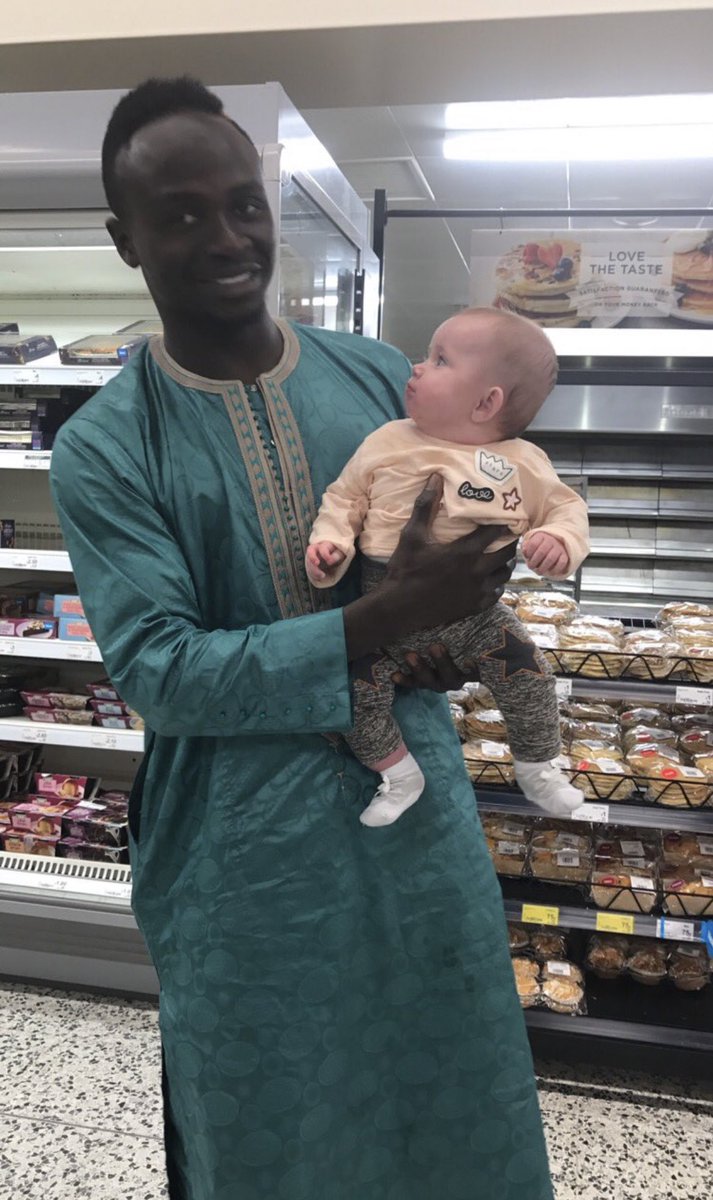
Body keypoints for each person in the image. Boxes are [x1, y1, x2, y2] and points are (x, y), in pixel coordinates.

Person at [50, 77, 554, 1200]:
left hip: (415, 834)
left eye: (242, 204)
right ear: (123, 237)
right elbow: (163, 675)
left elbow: (471, 567)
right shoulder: (106, 447)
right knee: (273, 1133)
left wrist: (468, 607)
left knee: (451, 1103)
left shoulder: (379, 380)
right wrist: (382, 621)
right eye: (180, 214)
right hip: (243, 864)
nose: (226, 237)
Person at [307, 307, 589, 827]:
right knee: (352, 695)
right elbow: (344, 499)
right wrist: (331, 543)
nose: (415, 368)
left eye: (439, 360)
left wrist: (557, 540)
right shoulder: (386, 440)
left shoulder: (523, 461)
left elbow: (565, 508)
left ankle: (538, 766)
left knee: (528, 672)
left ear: (487, 403)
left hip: (477, 618)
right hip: (377, 612)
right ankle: (399, 775)